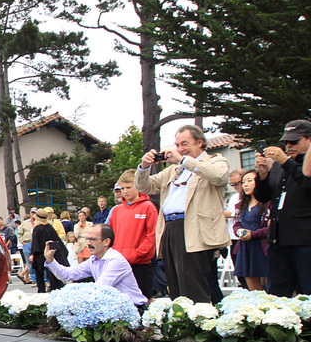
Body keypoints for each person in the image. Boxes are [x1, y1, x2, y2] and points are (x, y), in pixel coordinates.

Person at [136, 125, 230, 303]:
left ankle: (199, 323)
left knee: (193, 283)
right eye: (177, 144)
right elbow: (145, 186)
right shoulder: (174, 170)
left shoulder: (216, 161)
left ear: (200, 142)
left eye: (184, 144)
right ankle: (182, 324)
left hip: (195, 229)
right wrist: (144, 166)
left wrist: (185, 161)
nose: (180, 149)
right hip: (170, 228)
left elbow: (219, 176)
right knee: (176, 284)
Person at [254, 119, 311, 296]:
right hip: (279, 238)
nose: (289, 146)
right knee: (278, 292)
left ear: (309, 140)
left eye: (294, 142)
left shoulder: (293, 163)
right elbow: (263, 197)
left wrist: (286, 161)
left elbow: (307, 182)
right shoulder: (280, 165)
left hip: (304, 239)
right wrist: (262, 176)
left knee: (307, 291)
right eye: (286, 142)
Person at [43, 224, 148, 308]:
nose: (88, 243)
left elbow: (100, 289)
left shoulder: (115, 260)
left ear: (106, 242)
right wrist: (50, 260)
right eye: (87, 239)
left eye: (92, 239)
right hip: (114, 308)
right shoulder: (94, 260)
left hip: (133, 309)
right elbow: (67, 274)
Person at [108, 169, 158, 299]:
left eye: (129, 187)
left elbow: (152, 235)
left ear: (138, 186)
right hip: (120, 262)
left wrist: (138, 253)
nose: (125, 191)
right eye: (122, 188)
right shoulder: (116, 211)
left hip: (141, 263)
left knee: (142, 298)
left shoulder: (148, 207)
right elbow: (111, 236)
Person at [232, 169, 269, 290]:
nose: (245, 184)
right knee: (253, 290)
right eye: (243, 182)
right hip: (246, 247)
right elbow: (236, 224)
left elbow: (270, 228)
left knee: (271, 286)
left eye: (249, 181)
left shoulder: (268, 203)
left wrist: (253, 234)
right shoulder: (241, 204)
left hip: (263, 247)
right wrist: (238, 231)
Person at [30, 208, 69, 293]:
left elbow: (35, 243)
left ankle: (41, 292)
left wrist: (32, 254)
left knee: (39, 274)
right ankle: (55, 289)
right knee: (52, 273)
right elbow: (56, 240)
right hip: (51, 253)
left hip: (40, 254)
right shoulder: (50, 227)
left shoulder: (37, 229)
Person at [16, 210, 34, 284]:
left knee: (31, 261)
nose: (33, 214)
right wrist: (22, 242)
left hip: (34, 243)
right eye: (32, 212)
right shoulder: (25, 223)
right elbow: (19, 234)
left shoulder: (38, 222)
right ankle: (23, 274)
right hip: (26, 244)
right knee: (29, 261)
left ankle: (25, 276)